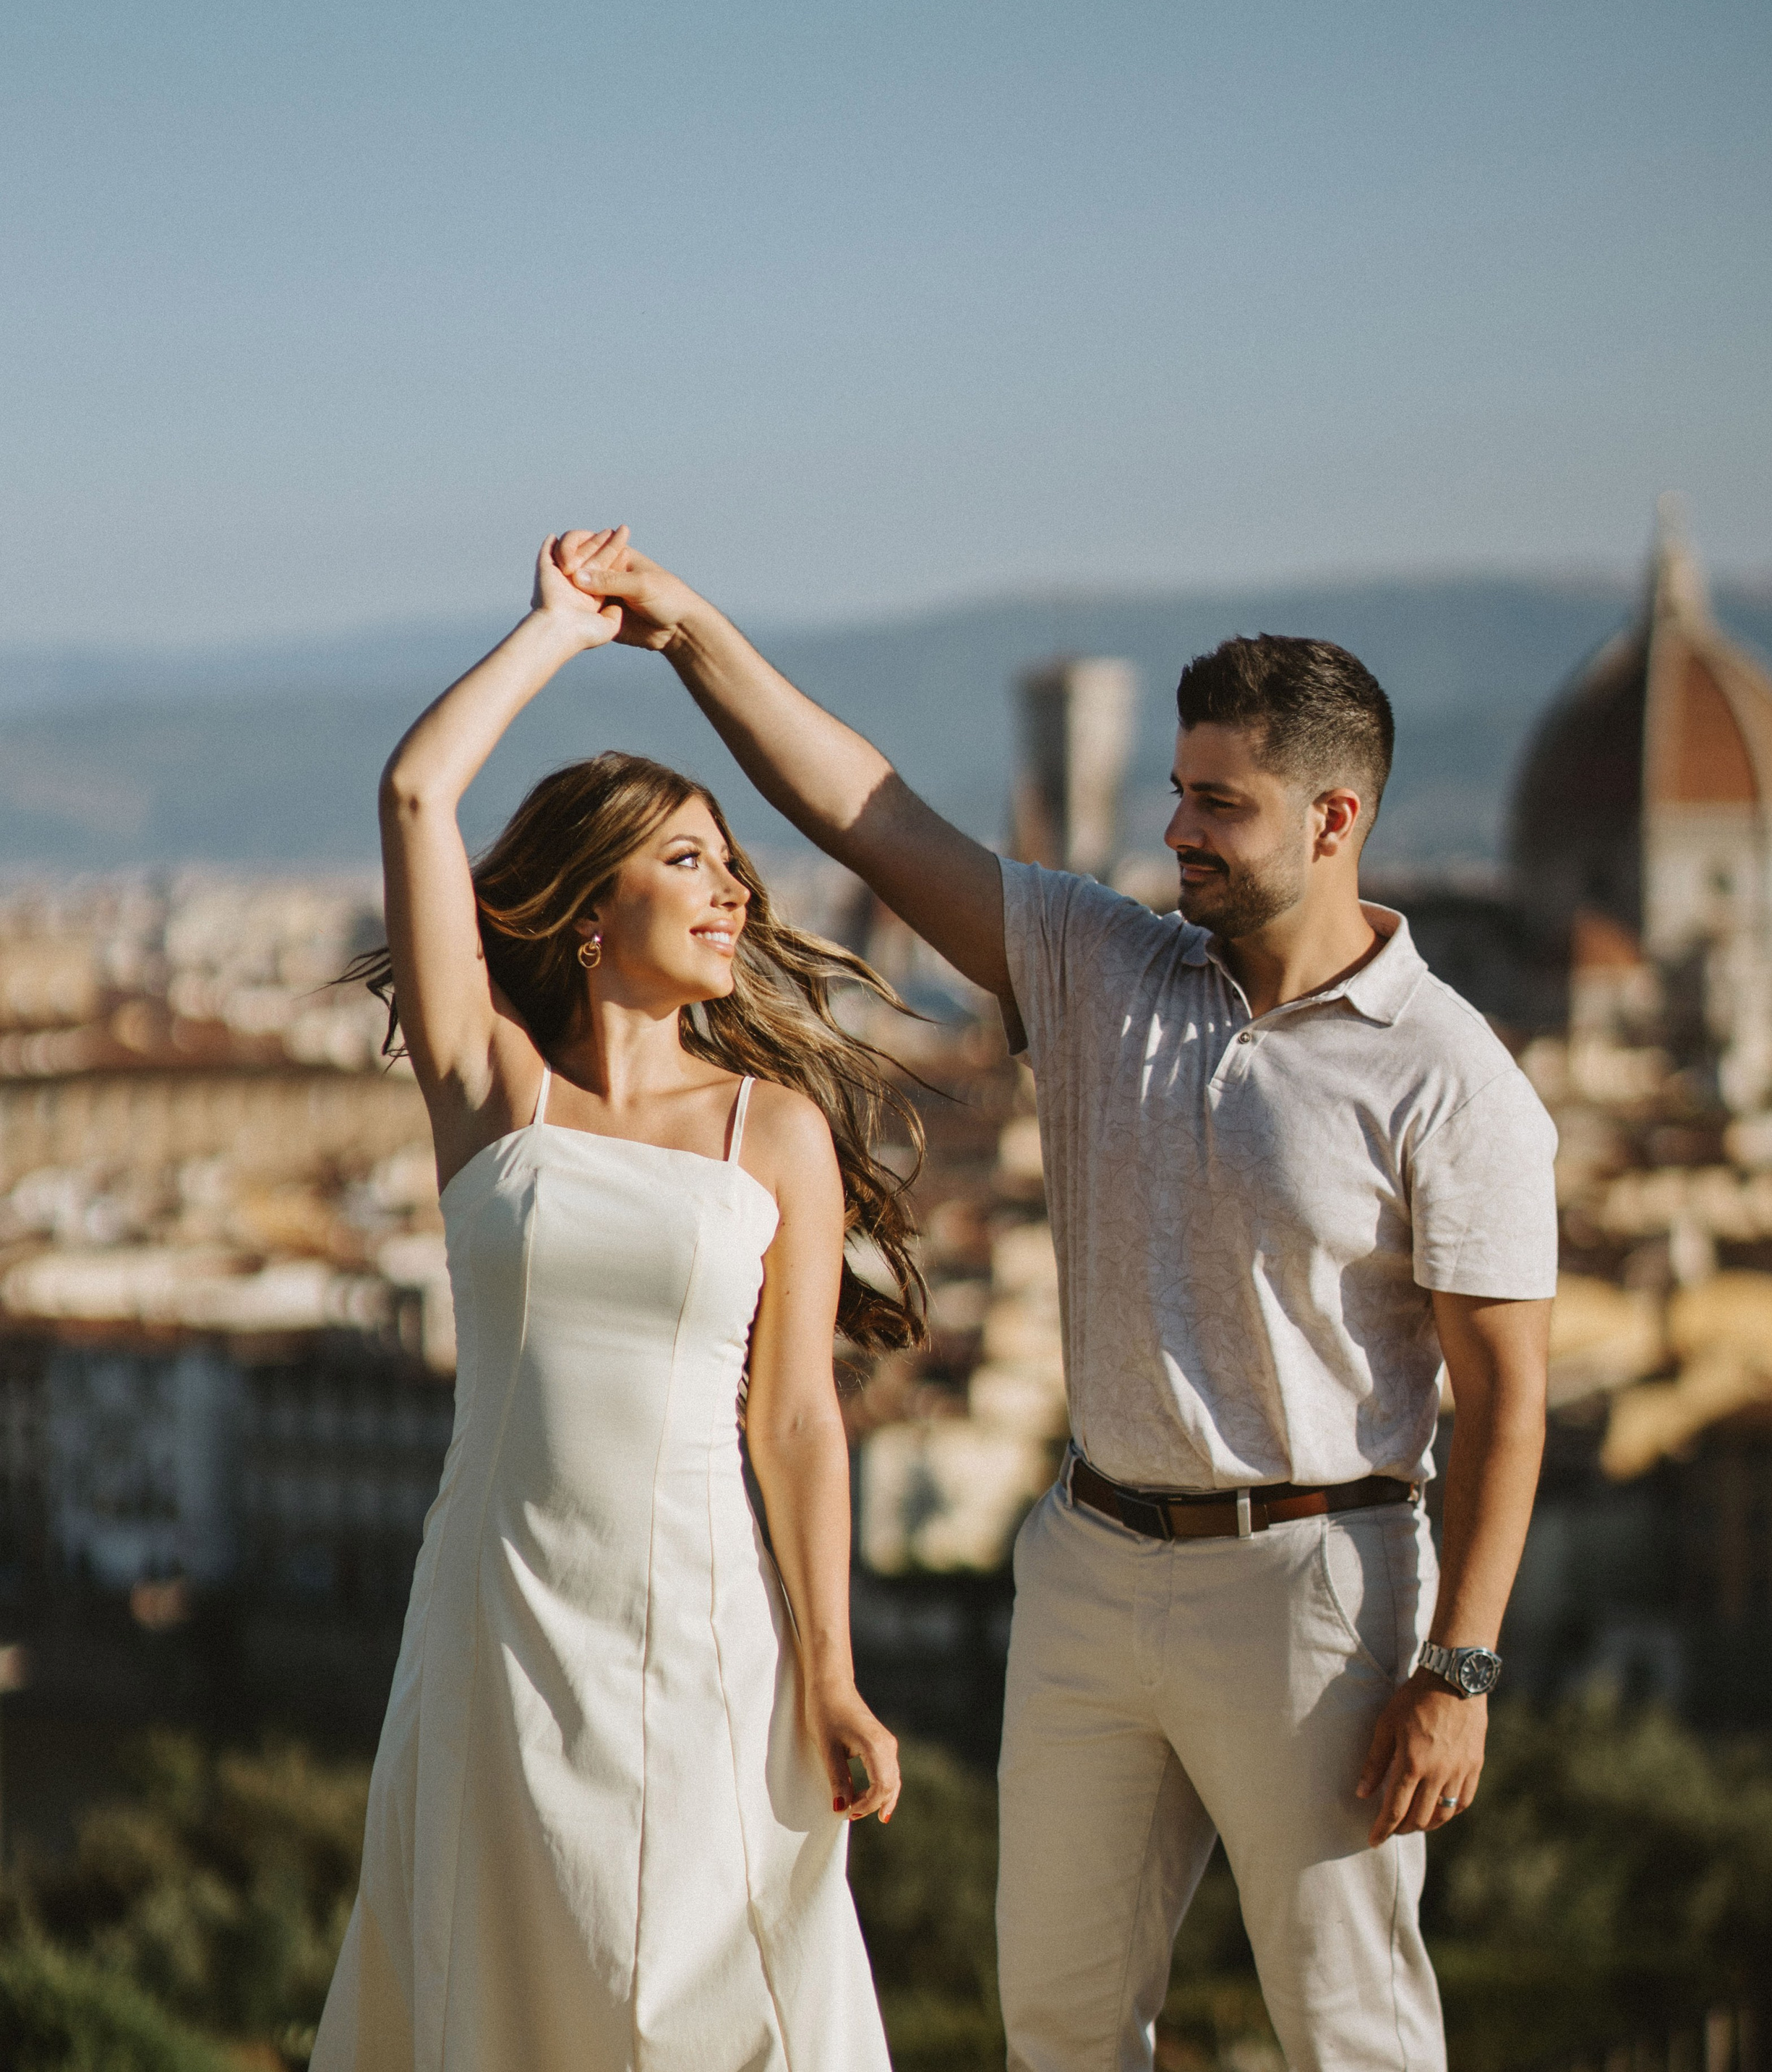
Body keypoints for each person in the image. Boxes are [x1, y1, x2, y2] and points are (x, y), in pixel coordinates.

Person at [557, 526, 1559, 2072]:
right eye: (1175, 790)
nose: (1176, 828)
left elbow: (1505, 1403)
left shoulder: (1449, 1076)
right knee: (1061, 2027)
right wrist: (684, 629)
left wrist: (1460, 1667)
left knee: (1350, 2027)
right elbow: (864, 809)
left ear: (1333, 815)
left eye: (1216, 802)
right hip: (1088, 1565)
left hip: (1318, 1586)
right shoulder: (1107, 969)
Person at [309, 541, 915, 2072]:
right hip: (493, 1617)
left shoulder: (768, 1125)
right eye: (686, 860)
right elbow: (412, 798)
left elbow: (794, 1421)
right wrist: (553, 636)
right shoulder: (493, 1092)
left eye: (732, 861)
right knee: (484, 1983)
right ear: (589, 907)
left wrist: (832, 1671)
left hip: (704, 1625)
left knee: (703, 2003)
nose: (731, 889)